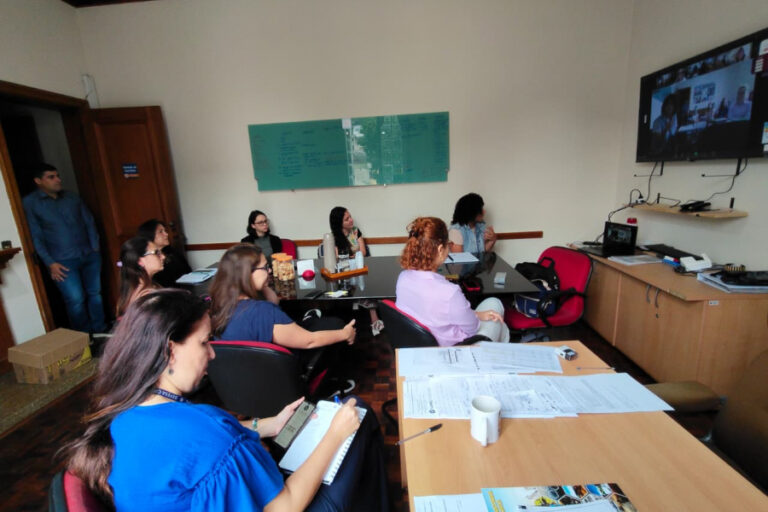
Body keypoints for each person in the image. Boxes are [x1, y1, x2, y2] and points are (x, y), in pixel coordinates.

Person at [62, 289, 388, 511]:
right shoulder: (207, 428)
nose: (213, 353)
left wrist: (269, 425)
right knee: (358, 413)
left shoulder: (123, 414)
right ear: (170, 350)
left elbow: (193, 454)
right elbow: (285, 506)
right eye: (204, 342)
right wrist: (335, 435)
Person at [209, 244, 356, 352]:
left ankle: (309, 318)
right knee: (337, 325)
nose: (270, 270)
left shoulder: (219, 305)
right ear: (247, 273)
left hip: (246, 376)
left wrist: (262, 282)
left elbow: (274, 302)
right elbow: (309, 341)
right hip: (285, 371)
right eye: (265, 267)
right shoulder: (263, 311)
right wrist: (345, 334)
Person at [396, 217, 510, 346]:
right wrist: (476, 316)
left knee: (494, 315)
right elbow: (473, 329)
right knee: (496, 307)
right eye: (448, 244)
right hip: (455, 348)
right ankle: (498, 349)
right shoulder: (449, 292)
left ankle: (499, 346)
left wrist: (477, 314)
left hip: (417, 345)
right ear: (440, 249)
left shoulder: (403, 278)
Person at [22, 163, 106, 334]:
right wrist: (50, 262)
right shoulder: (30, 203)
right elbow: (35, 236)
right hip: (62, 261)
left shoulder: (72, 198)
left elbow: (89, 222)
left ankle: (100, 330)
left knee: (95, 293)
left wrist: (95, 247)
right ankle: (83, 336)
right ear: (38, 181)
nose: (58, 180)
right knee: (75, 299)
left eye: (57, 176)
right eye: (51, 177)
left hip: (89, 254)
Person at [116, 237, 165, 317]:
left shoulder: (132, 290)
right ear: (140, 261)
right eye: (156, 253)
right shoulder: (148, 298)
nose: (163, 256)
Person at [137, 219, 192, 287]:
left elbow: (188, 271)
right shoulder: (148, 259)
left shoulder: (172, 251)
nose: (166, 234)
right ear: (149, 235)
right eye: (161, 232)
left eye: (165, 231)